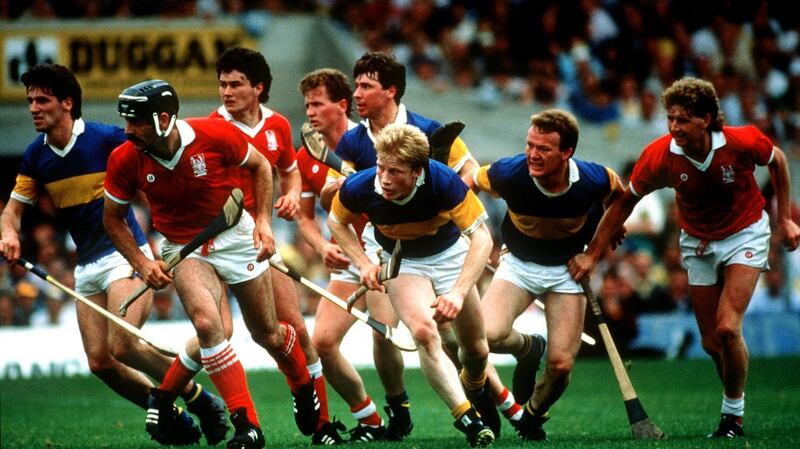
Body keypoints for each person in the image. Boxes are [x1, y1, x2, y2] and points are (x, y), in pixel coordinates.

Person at [0, 64, 228, 446]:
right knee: (101, 362)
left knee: (123, 345)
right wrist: (9, 232)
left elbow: (160, 164)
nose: (33, 108)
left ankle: (202, 403)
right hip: (86, 265)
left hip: (126, 254)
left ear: (67, 103)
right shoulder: (36, 156)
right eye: (30, 101)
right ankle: (178, 410)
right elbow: (12, 212)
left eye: (42, 100)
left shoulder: (108, 139)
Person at [568, 77, 800, 438]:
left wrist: (784, 218)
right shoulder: (660, 155)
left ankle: (732, 417)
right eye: (670, 118)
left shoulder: (740, 141)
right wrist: (592, 255)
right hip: (697, 242)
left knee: (727, 328)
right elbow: (625, 202)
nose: (674, 127)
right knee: (712, 343)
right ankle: (734, 400)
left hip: (745, 233)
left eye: (683, 119)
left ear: (705, 119)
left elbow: (779, 160)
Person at [103, 79, 319, 449]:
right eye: (127, 121)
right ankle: (247, 425)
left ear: (164, 119)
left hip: (236, 237)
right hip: (184, 249)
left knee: (267, 333)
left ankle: (302, 384)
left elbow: (261, 166)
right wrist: (142, 262)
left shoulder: (214, 134)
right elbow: (112, 218)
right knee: (207, 326)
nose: (128, 130)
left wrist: (263, 222)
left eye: (136, 121)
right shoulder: (124, 158)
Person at [318, 51, 497, 438]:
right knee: (422, 333)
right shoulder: (362, 174)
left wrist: (458, 291)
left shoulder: (441, 172)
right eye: (380, 168)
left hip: (448, 251)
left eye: (394, 172)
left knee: (476, 351)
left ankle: (478, 386)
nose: (383, 179)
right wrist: (364, 263)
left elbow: (482, 237)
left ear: (417, 171)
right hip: (398, 255)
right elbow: (335, 217)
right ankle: (467, 419)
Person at [206, 46, 339, 444]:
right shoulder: (211, 127)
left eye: (236, 84)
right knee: (215, 331)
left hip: (261, 240)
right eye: (222, 84)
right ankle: (181, 403)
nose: (226, 92)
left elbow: (289, 172)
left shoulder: (277, 124)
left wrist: (291, 196)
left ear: (258, 87)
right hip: (215, 243)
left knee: (294, 327)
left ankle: (321, 424)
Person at [468, 109, 625, 440]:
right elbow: (469, 182)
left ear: (567, 152)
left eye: (543, 148)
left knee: (560, 366)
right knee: (485, 337)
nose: (532, 155)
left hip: (568, 271)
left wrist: (598, 246)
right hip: (519, 264)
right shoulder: (510, 172)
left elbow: (620, 197)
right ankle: (528, 348)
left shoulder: (593, 179)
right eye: (529, 145)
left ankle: (532, 414)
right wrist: (466, 228)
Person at [296, 67, 412, 443]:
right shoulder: (306, 156)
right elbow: (306, 218)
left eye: (318, 104)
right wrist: (323, 246)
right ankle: (369, 419)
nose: (310, 112)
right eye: (307, 105)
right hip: (349, 259)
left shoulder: (371, 142)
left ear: (342, 105)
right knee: (323, 344)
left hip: (384, 253)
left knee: (384, 335)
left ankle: (398, 406)